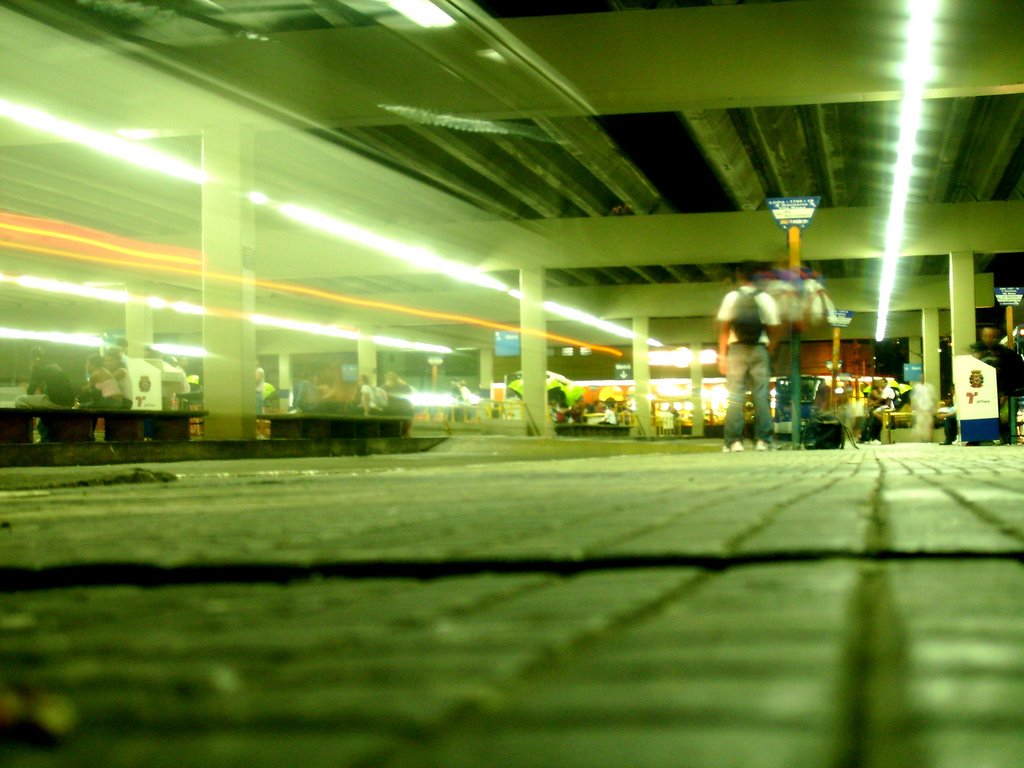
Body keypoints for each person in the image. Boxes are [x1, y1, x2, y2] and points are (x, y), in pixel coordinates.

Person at [717, 262, 781, 452]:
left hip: (736, 349)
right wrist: (769, 348)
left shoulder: (731, 297)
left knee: (735, 395)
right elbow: (775, 327)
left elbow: (724, 328)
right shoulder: (765, 299)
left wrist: (722, 356)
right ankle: (763, 440)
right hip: (759, 348)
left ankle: (734, 442)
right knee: (761, 394)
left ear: (740, 276)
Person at [858, 377, 896, 444]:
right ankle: (884, 423)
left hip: (887, 407)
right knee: (873, 417)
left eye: (882, 382)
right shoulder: (879, 391)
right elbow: (879, 399)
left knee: (874, 414)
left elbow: (881, 399)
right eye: (879, 382)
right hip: (883, 407)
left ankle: (885, 422)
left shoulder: (886, 390)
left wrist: (873, 403)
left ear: (886, 383)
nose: (880, 384)